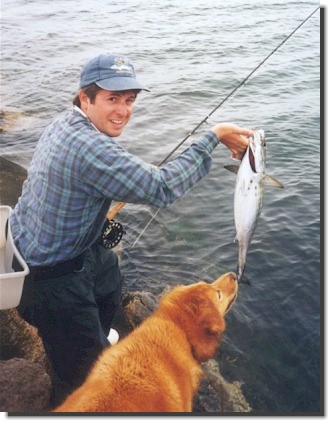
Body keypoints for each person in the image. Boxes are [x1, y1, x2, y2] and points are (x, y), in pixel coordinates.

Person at [10, 53, 252, 406]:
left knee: (108, 275)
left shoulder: (68, 123)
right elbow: (162, 188)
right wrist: (212, 137)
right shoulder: (89, 147)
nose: (123, 110)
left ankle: (94, 335)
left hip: (62, 246)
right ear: (85, 98)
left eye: (129, 100)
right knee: (83, 379)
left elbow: (103, 169)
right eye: (112, 99)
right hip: (50, 278)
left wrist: (132, 173)